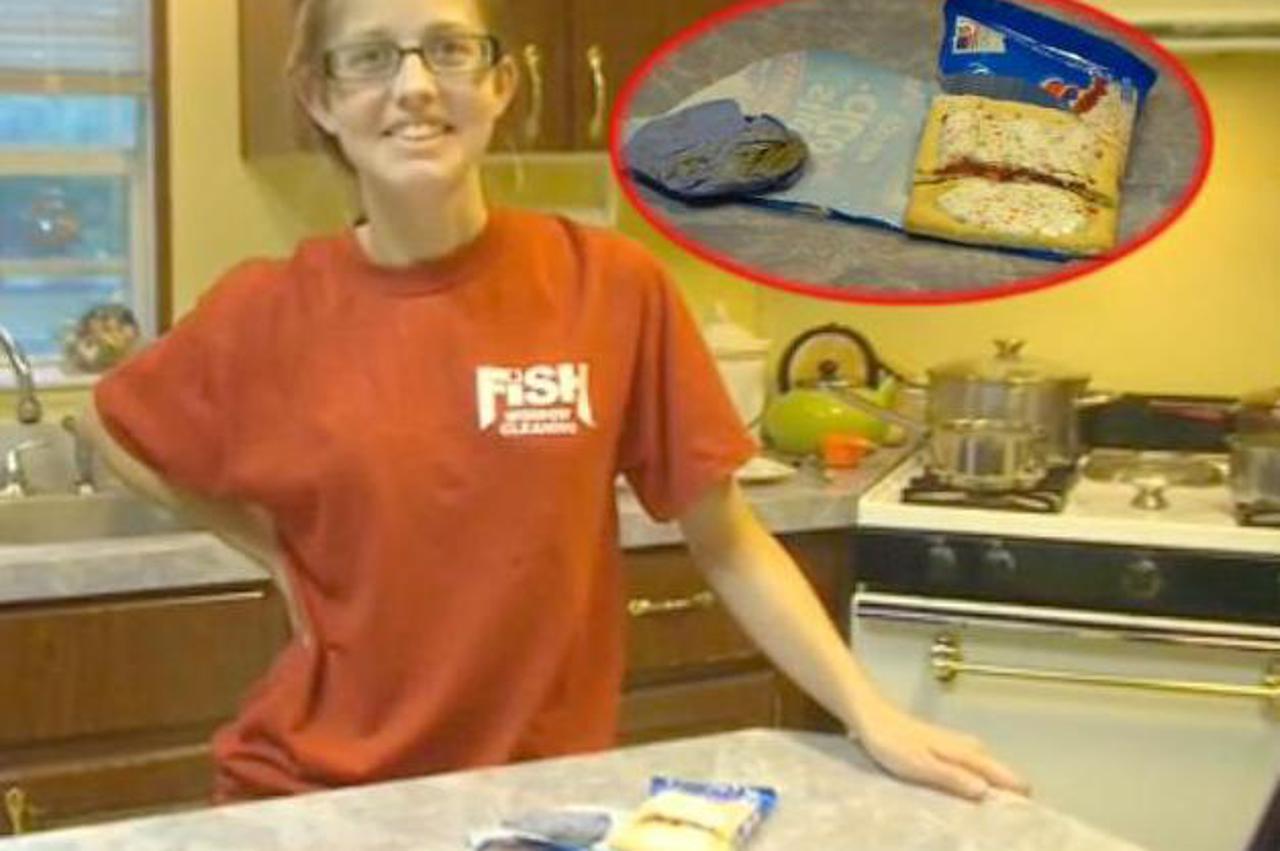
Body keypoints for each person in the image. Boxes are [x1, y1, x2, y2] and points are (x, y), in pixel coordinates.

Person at [82, 0, 1028, 804]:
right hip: (319, 797)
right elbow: (110, 425)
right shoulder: (268, 308)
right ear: (320, 97)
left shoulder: (608, 286)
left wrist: (871, 712)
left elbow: (728, 537)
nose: (415, 86)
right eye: (370, 57)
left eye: (448, 49)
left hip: (539, 795)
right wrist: (271, 550)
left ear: (500, 83)